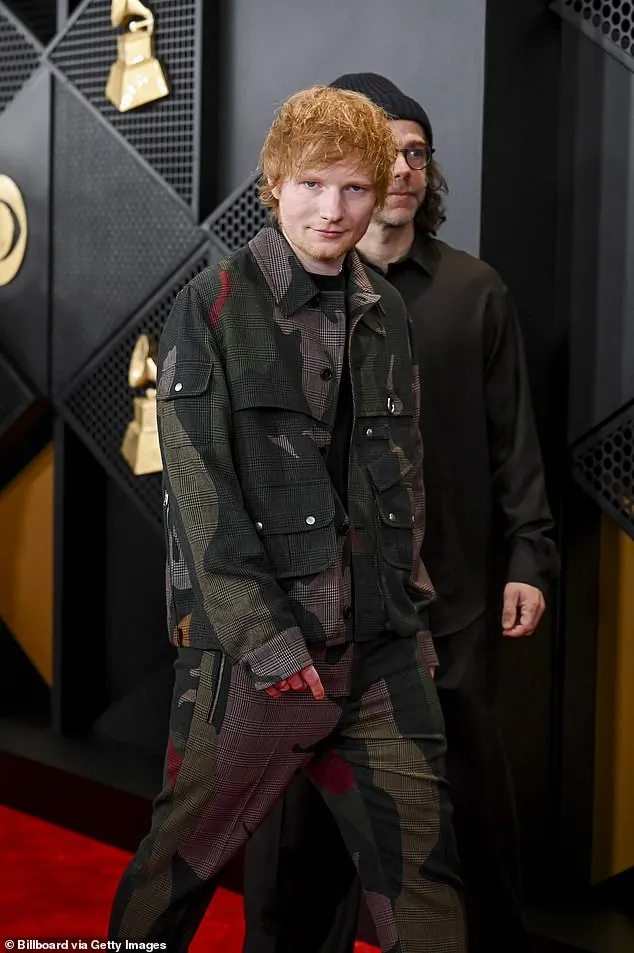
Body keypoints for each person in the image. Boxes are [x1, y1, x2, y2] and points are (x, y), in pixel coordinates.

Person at [108, 85, 467, 953]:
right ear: (274, 185)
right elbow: (198, 492)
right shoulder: (216, 304)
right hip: (257, 658)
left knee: (425, 890)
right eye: (312, 185)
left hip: (382, 646)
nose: (332, 210)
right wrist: (267, 643)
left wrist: (411, 619)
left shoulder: (387, 314)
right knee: (178, 867)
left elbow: (402, 477)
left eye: (353, 188)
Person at [243, 74, 559, 953]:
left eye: (418, 151)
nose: (406, 167)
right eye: (389, 150)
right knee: (298, 844)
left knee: (464, 832)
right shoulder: (279, 299)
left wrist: (531, 556)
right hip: (315, 621)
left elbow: (515, 444)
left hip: (447, 610)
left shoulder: (474, 292)